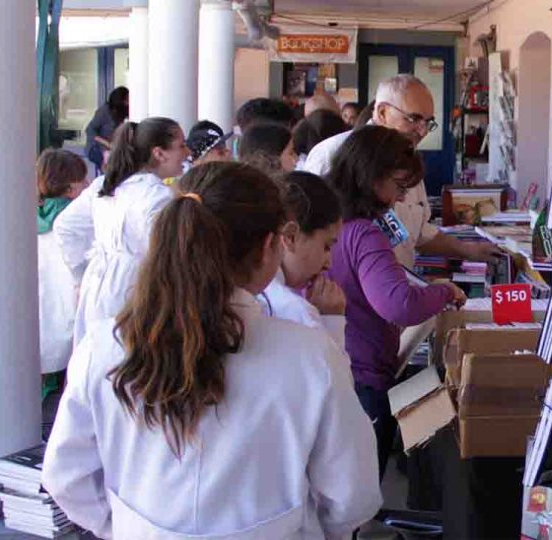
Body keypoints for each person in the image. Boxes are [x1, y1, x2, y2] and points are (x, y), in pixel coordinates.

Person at [42, 162, 382, 539]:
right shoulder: (310, 355)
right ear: (271, 245)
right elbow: (352, 494)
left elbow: (67, 476)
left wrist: (129, 527)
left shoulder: (105, 346)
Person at [326, 125, 467, 479]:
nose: (401, 198)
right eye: (399, 186)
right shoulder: (364, 232)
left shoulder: (332, 222)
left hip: (338, 364)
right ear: (372, 177)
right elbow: (398, 304)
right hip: (362, 372)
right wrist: (443, 291)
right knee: (358, 483)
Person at [304, 74, 501, 269]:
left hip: (399, 287)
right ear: (382, 113)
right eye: (414, 119)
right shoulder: (330, 155)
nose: (422, 131)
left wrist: (469, 250)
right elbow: (309, 235)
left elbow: (420, 234)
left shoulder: (407, 163)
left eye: (428, 122)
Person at [55, 117, 189, 345]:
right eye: (181, 146)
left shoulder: (104, 185)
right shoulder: (157, 196)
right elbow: (167, 256)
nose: (187, 153)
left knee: (97, 359)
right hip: (135, 292)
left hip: (97, 287)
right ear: (159, 153)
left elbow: (65, 227)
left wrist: (81, 274)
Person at [260, 171, 347, 350]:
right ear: (290, 237)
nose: (328, 263)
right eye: (326, 246)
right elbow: (332, 376)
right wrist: (331, 321)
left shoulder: (248, 293)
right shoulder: (296, 313)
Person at [36, 149, 88, 395]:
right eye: (82, 180)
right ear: (70, 188)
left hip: (38, 316)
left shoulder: (27, 216)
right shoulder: (76, 220)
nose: (88, 185)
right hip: (70, 312)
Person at [85, 86, 129, 174]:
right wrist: (108, 144)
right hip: (96, 147)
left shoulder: (123, 112)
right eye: (126, 100)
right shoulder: (104, 111)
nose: (128, 102)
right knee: (110, 166)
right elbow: (90, 130)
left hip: (113, 149)